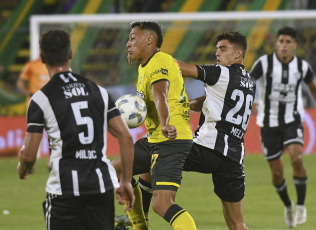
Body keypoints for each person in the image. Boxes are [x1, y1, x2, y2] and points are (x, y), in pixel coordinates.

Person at [17, 29, 135, 230]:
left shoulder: (40, 99)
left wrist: (24, 168)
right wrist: (125, 181)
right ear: (70, 53)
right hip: (101, 186)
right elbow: (125, 136)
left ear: (43, 57)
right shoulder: (99, 91)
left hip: (64, 190)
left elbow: (29, 156)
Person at [112, 21, 196, 230]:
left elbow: (161, 95)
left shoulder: (159, 62)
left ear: (149, 39)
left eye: (133, 38)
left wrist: (166, 124)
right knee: (114, 169)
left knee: (162, 204)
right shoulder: (147, 65)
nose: (127, 44)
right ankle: (139, 226)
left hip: (171, 140)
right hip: (155, 139)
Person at [249, 27, 316, 228]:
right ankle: (288, 205)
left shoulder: (302, 66)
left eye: (288, 42)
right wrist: (247, 101)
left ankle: (301, 205)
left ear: (294, 45)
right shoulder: (264, 63)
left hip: (292, 120)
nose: (284, 45)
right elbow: (247, 83)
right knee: (277, 173)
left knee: (297, 158)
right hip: (268, 123)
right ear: (276, 43)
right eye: (281, 41)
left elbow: (315, 90)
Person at [177, 31, 254, 230]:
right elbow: (224, 98)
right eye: (216, 49)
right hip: (233, 158)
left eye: (223, 48)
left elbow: (179, 67)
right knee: (237, 223)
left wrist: (150, 54)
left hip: (208, 148)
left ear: (237, 54)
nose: (217, 53)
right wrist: (198, 103)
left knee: (155, 152)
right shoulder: (249, 82)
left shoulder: (220, 73)